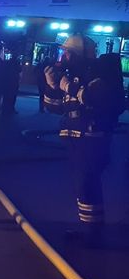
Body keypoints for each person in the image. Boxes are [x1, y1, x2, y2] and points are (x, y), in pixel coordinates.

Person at [43, 34, 124, 244]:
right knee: (84, 185)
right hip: (76, 139)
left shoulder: (98, 76)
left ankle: (92, 234)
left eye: (67, 52)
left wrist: (68, 86)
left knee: (87, 183)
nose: (63, 56)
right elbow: (54, 107)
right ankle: (90, 229)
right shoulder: (74, 76)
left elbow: (96, 98)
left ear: (78, 55)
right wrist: (52, 86)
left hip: (92, 138)